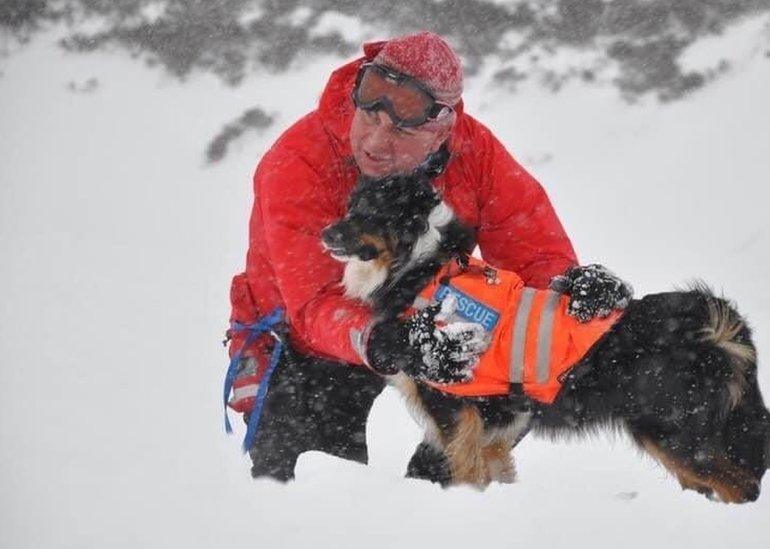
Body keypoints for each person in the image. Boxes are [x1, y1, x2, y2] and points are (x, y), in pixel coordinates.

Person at [223, 31, 630, 482]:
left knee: (456, 468)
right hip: (308, 350)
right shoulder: (300, 161)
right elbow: (314, 304)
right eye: (368, 117)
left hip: (437, 332)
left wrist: (571, 296)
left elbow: (537, 256)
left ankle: (450, 506)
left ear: (441, 130)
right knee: (309, 489)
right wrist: (387, 341)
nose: (375, 142)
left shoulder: (475, 154)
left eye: (400, 129)